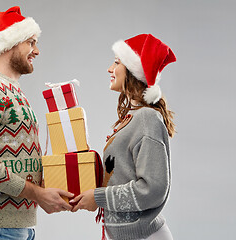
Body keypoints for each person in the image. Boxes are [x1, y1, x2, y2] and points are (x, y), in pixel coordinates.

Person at [0, 6, 73, 240]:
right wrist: (38, 194)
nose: (37, 50)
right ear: (9, 43)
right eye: (31, 42)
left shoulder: (12, 91)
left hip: (16, 228)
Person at [70, 34, 176, 240]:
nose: (110, 69)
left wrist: (99, 197)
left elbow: (153, 189)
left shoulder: (147, 118)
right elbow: (122, 175)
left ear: (133, 72)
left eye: (117, 62)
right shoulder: (133, 117)